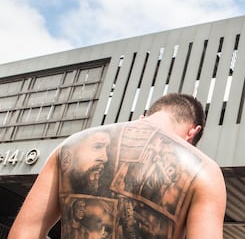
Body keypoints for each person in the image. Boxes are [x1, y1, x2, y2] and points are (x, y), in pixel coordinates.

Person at [8, 93, 227, 239]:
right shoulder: (204, 170)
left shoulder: (72, 145)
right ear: (193, 132)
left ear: (143, 117)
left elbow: (22, 234)